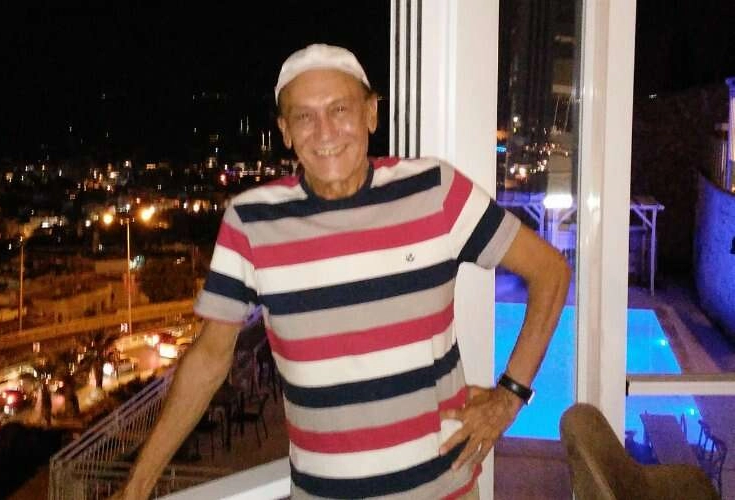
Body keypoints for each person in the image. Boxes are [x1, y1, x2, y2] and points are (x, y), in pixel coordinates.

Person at [114, 44, 570, 499]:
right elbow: (209, 360)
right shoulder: (251, 221)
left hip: (442, 489)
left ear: (371, 114)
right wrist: (136, 487)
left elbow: (550, 271)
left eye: (340, 109)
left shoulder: (434, 191)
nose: (325, 131)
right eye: (304, 116)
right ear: (284, 131)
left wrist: (510, 396)